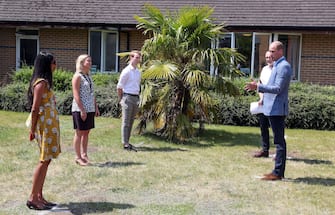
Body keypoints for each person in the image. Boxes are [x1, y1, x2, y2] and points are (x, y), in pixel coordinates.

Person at [245, 41, 292, 180]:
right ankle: (277, 172)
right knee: (278, 140)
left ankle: (278, 173)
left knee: (279, 141)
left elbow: (278, 88)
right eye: (269, 51)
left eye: (272, 51)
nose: (270, 54)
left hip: (277, 109)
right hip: (272, 107)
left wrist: (259, 87)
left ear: (280, 51)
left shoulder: (283, 66)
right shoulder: (277, 65)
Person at [26, 52, 61, 210]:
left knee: (46, 160)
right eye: (54, 62)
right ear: (47, 65)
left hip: (49, 126)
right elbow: (34, 109)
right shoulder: (40, 83)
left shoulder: (45, 82)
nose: (55, 65)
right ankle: (33, 197)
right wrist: (32, 130)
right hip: (44, 127)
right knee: (43, 160)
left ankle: (40, 196)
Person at [71, 54, 99, 166]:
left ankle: (84, 154)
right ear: (82, 63)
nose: (90, 63)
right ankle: (78, 157)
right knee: (79, 132)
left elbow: (92, 94)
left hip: (90, 108)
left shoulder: (88, 76)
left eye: (90, 61)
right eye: (88, 61)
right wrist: (82, 110)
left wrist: (95, 107)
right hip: (80, 109)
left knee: (86, 132)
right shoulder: (77, 76)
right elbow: (76, 94)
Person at [117, 50, 141, 152]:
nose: (138, 59)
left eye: (139, 57)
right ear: (131, 58)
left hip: (135, 97)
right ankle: (125, 143)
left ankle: (127, 140)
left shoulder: (138, 72)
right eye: (136, 57)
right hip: (127, 97)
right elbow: (119, 86)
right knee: (126, 121)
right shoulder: (126, 71)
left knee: (131, 121)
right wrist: (121, 99)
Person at [253, 51, 273, 158]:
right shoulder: (264, 70)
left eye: (270, 57)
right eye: (266, 57)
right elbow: (260, 85)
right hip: (263, 102)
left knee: (275, 128)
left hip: (274, 103)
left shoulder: (277, 70)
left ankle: (279, 152)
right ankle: (265, 150)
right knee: (263, 126)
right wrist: (261, 98)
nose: (268, 59)